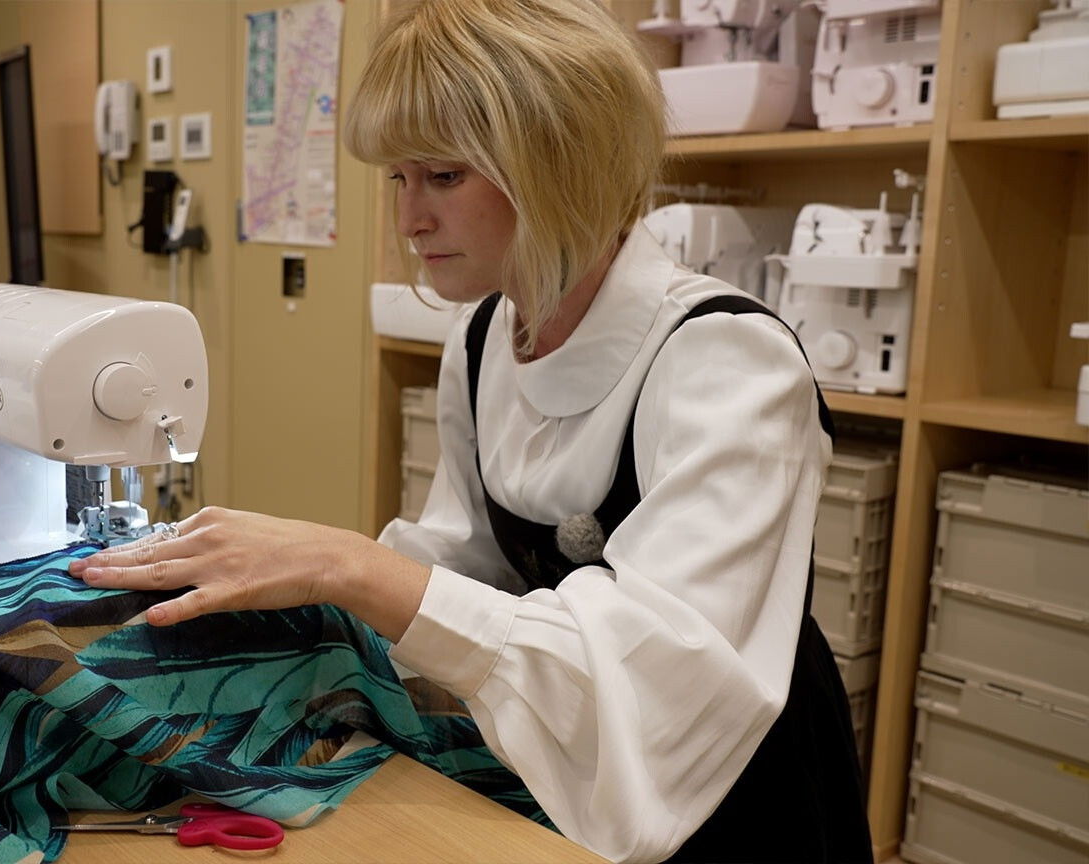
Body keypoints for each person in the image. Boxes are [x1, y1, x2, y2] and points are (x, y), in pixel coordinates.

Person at [69, 0, 873, 861]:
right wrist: (295, 602)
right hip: (571, 769)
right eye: (398, 179)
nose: (409, 220)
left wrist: (351, 566)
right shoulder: (484, 339)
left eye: (443, 177)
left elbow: (653, 677)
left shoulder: (727, 362)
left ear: (562, 164)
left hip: (725, 785)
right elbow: (463, 560)